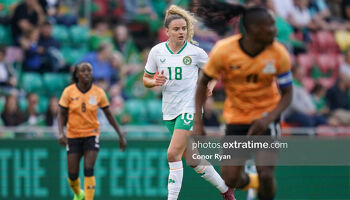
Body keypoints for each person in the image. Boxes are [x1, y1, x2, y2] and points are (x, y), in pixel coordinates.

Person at [194, 2, 293, 200]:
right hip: (236, 118)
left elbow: (288, 93)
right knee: (230, 179)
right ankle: (252, 183)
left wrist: (269, 119)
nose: (276, 30)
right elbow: (202, 84)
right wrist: (198, 122)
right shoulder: (224, 50)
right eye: (271, 26)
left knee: (266, 173)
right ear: (255, 29)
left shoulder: (278, 52)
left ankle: (262, 182)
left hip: (267, 117)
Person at [142, 5, 235, 200]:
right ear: (166, 32)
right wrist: (154, 81)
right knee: (192, 159)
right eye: (176, 29)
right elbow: (146, 79)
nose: (181, 32)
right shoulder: (157, 52)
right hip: (169, 111)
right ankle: (225, 190)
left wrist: (211, 83)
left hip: (189, 108)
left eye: (183, 28)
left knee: (172, 154)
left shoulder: (195, 52)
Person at [57, 62, 126, 200]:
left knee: (88, 168)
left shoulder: (98, 92)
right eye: (83, 71)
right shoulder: (69, 92)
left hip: (91, 134)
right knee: (72, 176)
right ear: (77, 74)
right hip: (73, 135)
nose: (87, 73)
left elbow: (109, 114)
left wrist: (120, 134)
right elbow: (61, 113)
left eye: (89, 70)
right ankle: (78, 193)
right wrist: (61, 132)